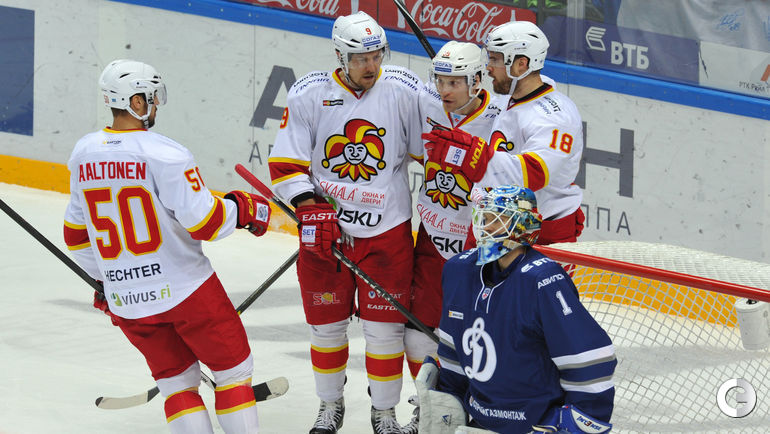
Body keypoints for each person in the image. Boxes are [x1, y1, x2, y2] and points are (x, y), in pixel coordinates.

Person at [63, 59, 271, 434]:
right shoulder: (165, 152)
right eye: (151, 96)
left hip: (128, 301)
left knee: (177, 385)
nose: (156, 103)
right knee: (233, 373)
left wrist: (107, 282)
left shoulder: (83, 153)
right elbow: (205, 222)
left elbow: (76, 237)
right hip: (188, 291)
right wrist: (241, 209)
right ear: (136, 102)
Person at [267, 11, 423, 434]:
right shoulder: (309, 93)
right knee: (326, 328)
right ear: (340, 56)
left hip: (387, 231)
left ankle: (384, 413)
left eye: (376, 56)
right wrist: (308, 205)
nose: (370, 66)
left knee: (385, 332)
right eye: (360, 58)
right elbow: (285, 164)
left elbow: (430, 149)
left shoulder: (404, 89)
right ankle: (329, 405)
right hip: (326, 232)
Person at [418, 185, 616, 433]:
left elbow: (587, 358)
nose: (485, 227)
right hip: (478, 422)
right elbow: (453, 348)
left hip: (536, 426)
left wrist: (581, 421)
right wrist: (450, 395)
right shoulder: (459, 270)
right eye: (484, 218)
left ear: (523, 225)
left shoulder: (544, 280)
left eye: (497, 219)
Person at [401, 40, 506, 433]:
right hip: (432, 234)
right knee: (418, 332)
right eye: (440, 81)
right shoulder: (428, 103)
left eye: (455, 82)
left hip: (477, 244)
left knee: (478, 332)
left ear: (477, 81)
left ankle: (477, 410)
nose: (444, 90)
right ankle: (428, 408)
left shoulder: (501, 116)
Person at [423, 20, 585, 245]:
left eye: (495, 59)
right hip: (500, 221)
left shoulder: (555, 117)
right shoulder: (515, 95)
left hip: (539, 232)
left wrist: (472, 156)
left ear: (521, 64)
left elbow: (534, 174)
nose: (488, 67)